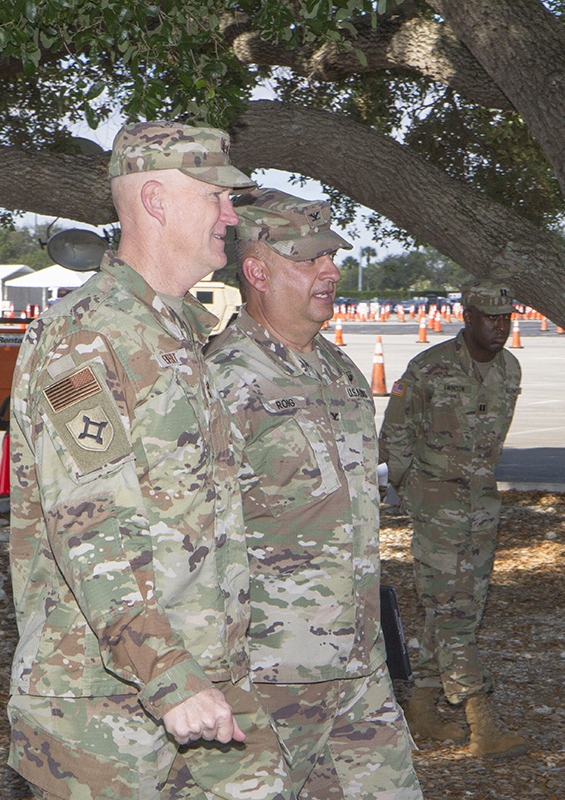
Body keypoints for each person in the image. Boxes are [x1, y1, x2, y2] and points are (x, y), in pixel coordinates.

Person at [8, 122, 296, 800]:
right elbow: (88, 527)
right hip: (106, 709)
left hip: (207, 684)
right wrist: (168, 673)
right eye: (216, 196)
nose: (231, 214)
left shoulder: (174, 330)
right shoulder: (84, 338)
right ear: (157, 200)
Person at [205, 188, 423, 799]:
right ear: (256, 270)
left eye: (331, 256)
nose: (329, 271)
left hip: (359, 660)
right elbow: (192, 534)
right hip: (271, 671)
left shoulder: (341, 373)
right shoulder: (220, 377)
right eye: (308, 259)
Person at [379, 280, 526, 759]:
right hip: (436, 503)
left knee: (463, 608)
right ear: (467, 316)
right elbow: (394, 435)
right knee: (452, 612)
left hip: (481, 504)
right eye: (490, 316)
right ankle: (481, 722)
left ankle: (421, 704)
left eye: (506, 317)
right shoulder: (429, 367)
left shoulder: (509, 369)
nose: (499, 326)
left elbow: (492, 441)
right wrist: (416, 492)